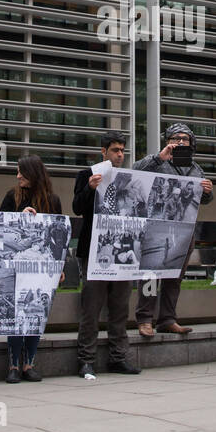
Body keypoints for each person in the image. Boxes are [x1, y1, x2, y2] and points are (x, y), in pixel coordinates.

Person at [131, 123, 213, 337]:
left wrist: (207, 191)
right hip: (156, 229)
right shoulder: (158, 161)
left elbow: (203, 200)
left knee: (174, 277)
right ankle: (145, 319)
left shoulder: (196, 168)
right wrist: (160, 157)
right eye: (175, 138)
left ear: (191, 143)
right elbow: (134, 171)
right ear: (167, 141)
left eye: (184, 139)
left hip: (184, 233)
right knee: (150, 275)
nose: (180, 142)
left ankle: (167, 318)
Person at [72, 132, 140, 380]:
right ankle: (86, 360)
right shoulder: (87, 174)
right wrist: (90, 188)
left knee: (120, 307)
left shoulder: (127, 178)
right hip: (95, 250)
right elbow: (77, 207)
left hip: (122, 250)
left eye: (122, 150)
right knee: (91, 307)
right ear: (104, 151)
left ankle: (118, 358)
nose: (120, 155)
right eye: (115, 150)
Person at [0, 155, 64, 383]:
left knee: (37, 314)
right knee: (17, 315)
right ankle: (13, 365)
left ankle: (29, 364)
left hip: (42, 267)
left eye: (22, 173)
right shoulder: (12, 197)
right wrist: (20, 218)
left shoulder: (52, 201)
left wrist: (60, 266)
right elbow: (0, 226)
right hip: (18, 266)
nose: (18, 177)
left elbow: (58, 235)